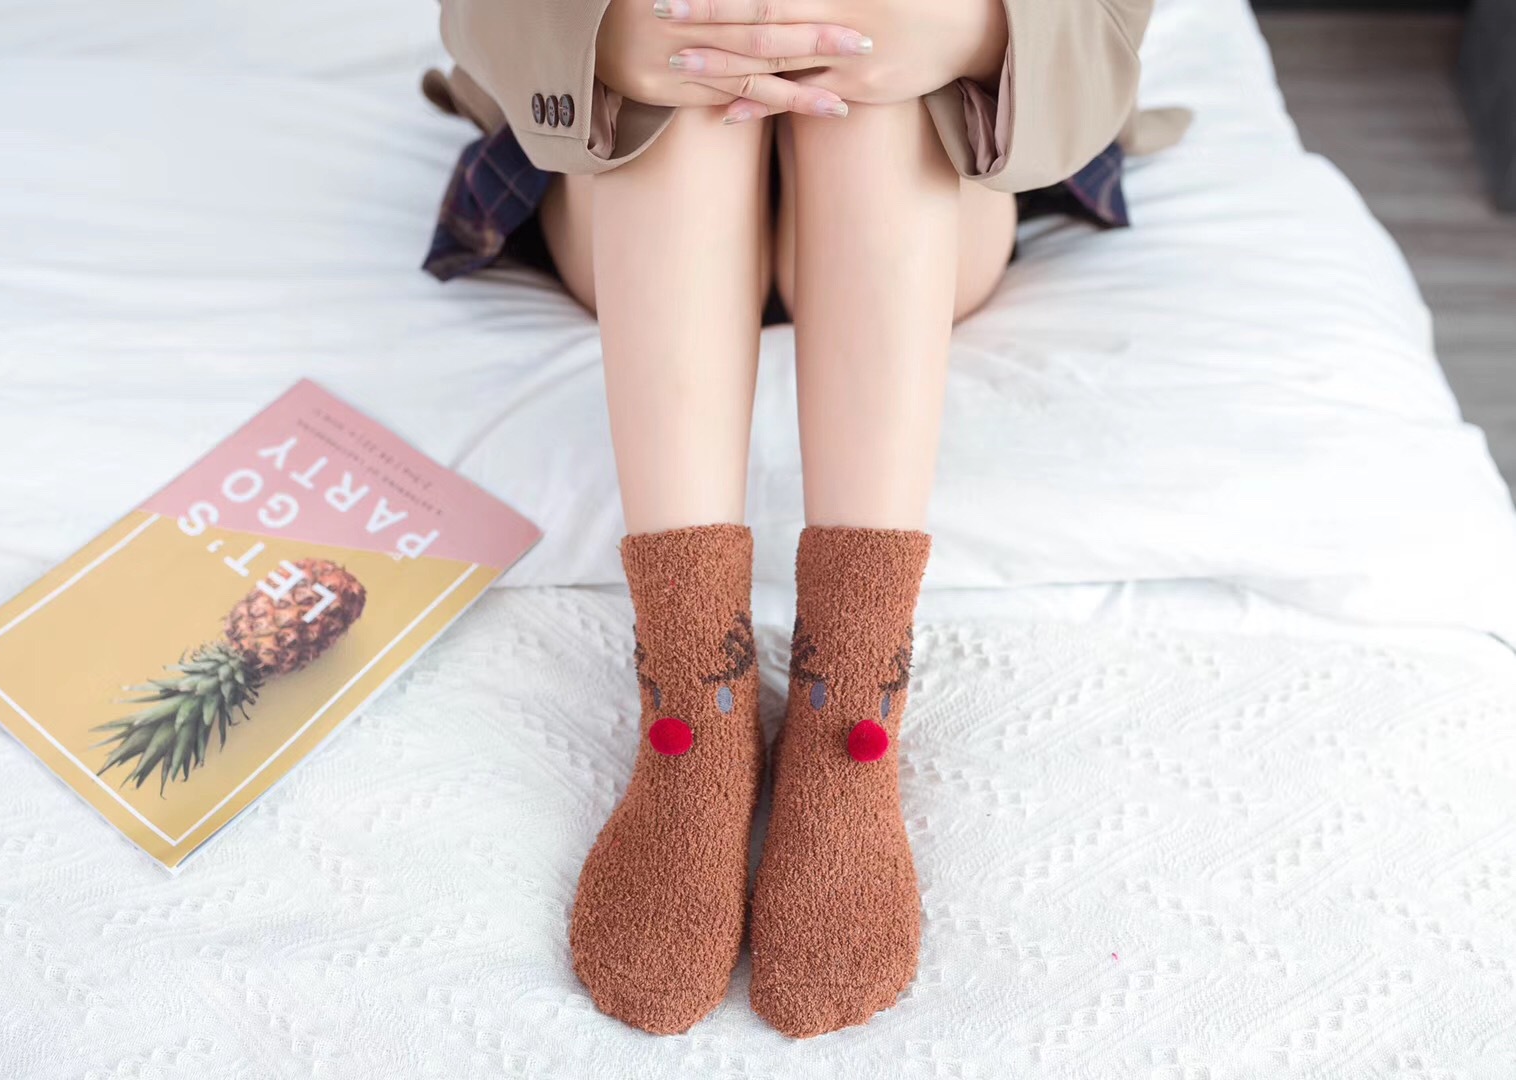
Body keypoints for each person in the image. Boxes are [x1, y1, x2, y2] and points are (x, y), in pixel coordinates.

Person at [421, 0, 1188, 1038]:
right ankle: (692, 709)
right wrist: (603, 36)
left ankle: (851, 714)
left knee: (867, 70)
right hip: (634, 180)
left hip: (927, 181)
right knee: (699, 69)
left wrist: (972, 33)